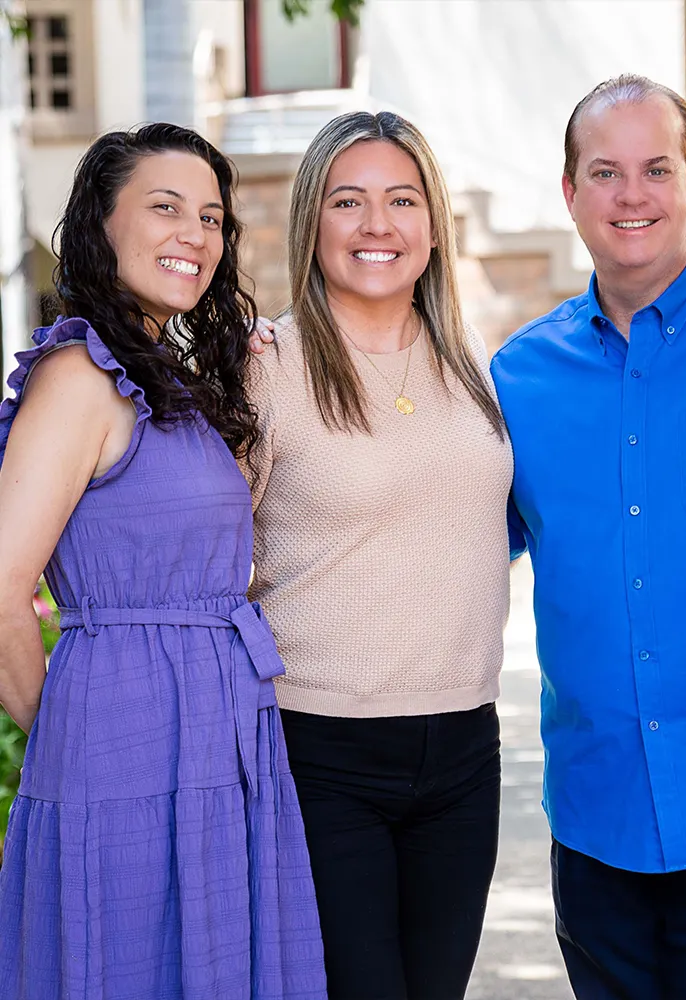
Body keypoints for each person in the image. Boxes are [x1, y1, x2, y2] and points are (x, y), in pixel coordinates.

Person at [0, 123, 326, 999]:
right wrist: (60, 735)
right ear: (100, 226)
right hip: (125, 735)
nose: (195, 233)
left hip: (220, 728)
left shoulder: (164, 380)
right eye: (165, 207)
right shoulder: (78, 375)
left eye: (212, 218)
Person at [489, 74, 686, 1000]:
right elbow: (442, 542)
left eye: (656, 168)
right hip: (594, 816)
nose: (633, 195)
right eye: (606, 171)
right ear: (570, 193)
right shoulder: (518, 374)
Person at [245, 110, 512, 1000]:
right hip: (319, 752)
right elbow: (206, 556)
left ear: (432, 226)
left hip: (466, 748)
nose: (376, 226)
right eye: (347, 202)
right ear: (310, 224)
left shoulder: (473, 364)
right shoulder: (264, 366)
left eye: (402, 200)